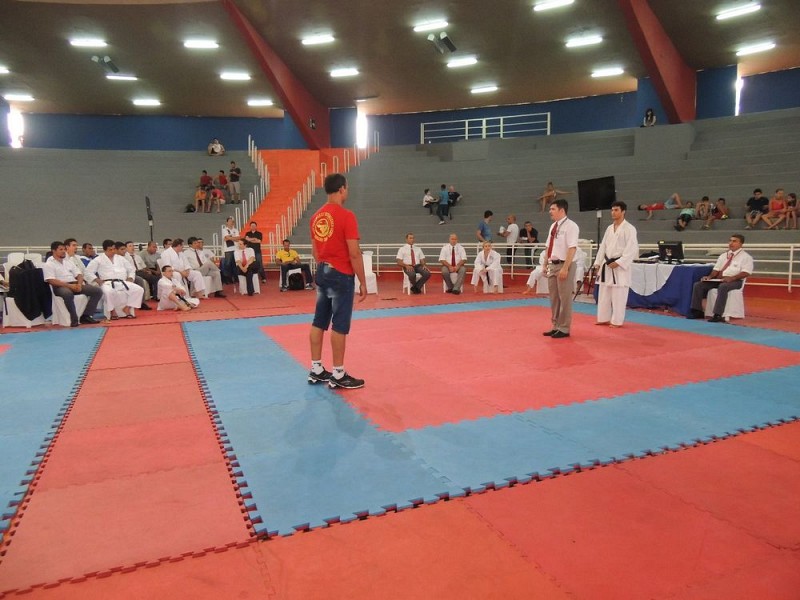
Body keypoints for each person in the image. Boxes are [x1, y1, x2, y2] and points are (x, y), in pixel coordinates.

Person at [308, 173, 367, 389]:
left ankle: (316, 369)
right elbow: (354, 253)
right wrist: (363, 281)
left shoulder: (316, 217)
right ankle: (338, 374)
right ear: (342, 189)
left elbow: (315, 252)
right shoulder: (346, 216)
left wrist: (325, 268)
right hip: (341, 274)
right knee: (339, 324)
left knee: (319, 321)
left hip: (323, 271)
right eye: (347, 188)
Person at [592, 201, 639, 327]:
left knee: (619, 295)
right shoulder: (609, 228)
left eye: (616, 210)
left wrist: (619, 262)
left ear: (623, 211)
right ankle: (603, 318)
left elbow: (632, 248)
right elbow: (603, 246)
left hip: (619, 266)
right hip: (606, 264)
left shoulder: (629, 229)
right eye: (612, 210)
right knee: (604, 293)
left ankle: (617, 321)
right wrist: (597, 263)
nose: (613, 212)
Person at [687, 234, 753, 322]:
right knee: (698, 285)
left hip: (735, 281)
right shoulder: (724, 255)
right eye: (730, 241)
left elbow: (746, 272)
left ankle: (718, 314)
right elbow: (716, 269)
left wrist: (732, 278)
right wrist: (710, 277)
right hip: (719, 279)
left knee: (723, 287)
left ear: (741, 244)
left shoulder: (746, 257)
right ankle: (697, 310)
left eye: (734, 241)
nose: (731, 243)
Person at [542, 199, 579, 338]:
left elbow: (572, 248)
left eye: (553, 209)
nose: (550, 211)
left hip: (564, 264)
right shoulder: (553, 226)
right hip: (553, 264)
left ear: (562, 210)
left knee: (565, 298)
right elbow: (548, 246)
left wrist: (565, 268)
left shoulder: (571, 226)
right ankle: (556, 325)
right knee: (554, 297)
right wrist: (545, 263)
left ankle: (564, 328)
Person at [43, 241, 103, 327]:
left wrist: (79, 284)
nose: (63, 251)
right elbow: (51, 280)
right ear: (54, 251)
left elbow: (79, 274)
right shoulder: (49, 264)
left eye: (64, 249)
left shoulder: (68, 262)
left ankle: (86, 316)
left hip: (74, 284)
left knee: (97, 291)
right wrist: (69, 286)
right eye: (61, 249)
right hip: (60, 286)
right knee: (67, 294)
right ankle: (73, 318)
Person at [85, 239, 144, 319]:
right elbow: (88, 272)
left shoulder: (120, 258)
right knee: (108, 292)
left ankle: (127, 308)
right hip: (107, 283)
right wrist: (97, 280)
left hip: (122, 282)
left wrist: (130, 277)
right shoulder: (98, 259)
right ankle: (112, 311)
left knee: (139, 290)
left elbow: (131, 269)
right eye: (110, 250)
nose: (113, 251)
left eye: (113, 249)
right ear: (104, 250)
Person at [124, 241, 159, 306]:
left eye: (133, 246)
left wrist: (147, 271)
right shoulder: (124, 257)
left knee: (156, 278)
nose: (132, 247)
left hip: (141, 271)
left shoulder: (137, 256)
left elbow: (144, 266)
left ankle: (155, 296)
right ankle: (144, 300)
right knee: (153, 278)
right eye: (130, 246)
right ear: (126, 248)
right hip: (133, 272)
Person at [221, 217, 240, 284]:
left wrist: (230, 238)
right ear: (227, 222)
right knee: (228, 264)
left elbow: (238, 238)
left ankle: (236, 278)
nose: (231, 222)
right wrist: (234, 238)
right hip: (228, 249)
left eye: (232, 221)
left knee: (235, 264)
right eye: (229, 221)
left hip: (236, 249)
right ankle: (228, 279)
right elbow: (226, 238)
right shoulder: (224, 230)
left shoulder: (236, 230)